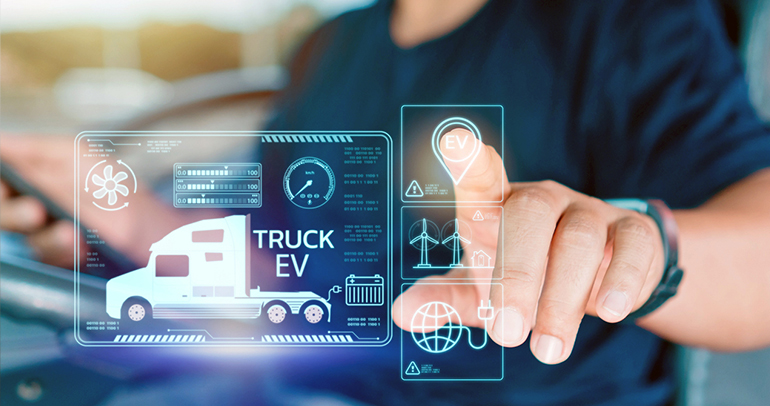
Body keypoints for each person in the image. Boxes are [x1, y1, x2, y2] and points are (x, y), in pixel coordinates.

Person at [3, 0, 770, 404]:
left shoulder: (626, 19)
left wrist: (632, 248)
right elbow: (272, 266)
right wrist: (115, 222)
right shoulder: (328, 49)